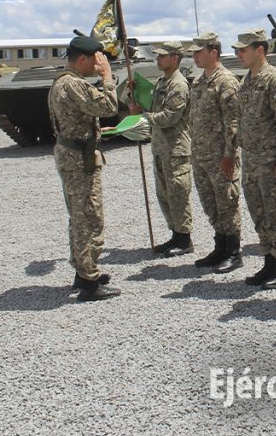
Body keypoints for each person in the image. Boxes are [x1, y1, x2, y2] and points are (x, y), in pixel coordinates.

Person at [48, 36, 121, 301]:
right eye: (95, 59)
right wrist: (107, 76)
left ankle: (83, 270)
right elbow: (109, 106)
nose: (98, 64)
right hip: (79, 159)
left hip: (74, 154)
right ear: (82, 59)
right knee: (89, 217)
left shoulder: (62, 81)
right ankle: (89, 282)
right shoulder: (74, 84)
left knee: (79, 215)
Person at [234, 28, 276, 289]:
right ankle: (269, 262)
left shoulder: (275, 80)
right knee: (259, 214)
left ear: (259, 50)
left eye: (243, 50)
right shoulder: (246, 81)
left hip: (272, 162)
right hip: (252, 161)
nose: (238, 55)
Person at [129, 40, 193, 258]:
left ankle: (184, 239)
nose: (158, 59)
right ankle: (175, 234)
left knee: (177, 194)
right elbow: (154, 107)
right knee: (165, 194)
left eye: (162, 56)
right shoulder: (161, 82)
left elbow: (169, 117)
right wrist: (136, 99)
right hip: (161, 148)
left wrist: (142, 118)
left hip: (176, 149)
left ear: (175, 58)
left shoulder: (178, 85)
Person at [187, 32, 243, 273]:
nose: (194, 56)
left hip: (221, 156)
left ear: (213, 53)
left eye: (198, 52)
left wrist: (230, 155)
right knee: (210, 204)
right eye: (193, 53)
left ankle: (233, 251)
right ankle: (220, 247)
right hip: (201, 155)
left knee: (227, 203)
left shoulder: (226, 81)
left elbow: (233, 123)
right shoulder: (199, 82)